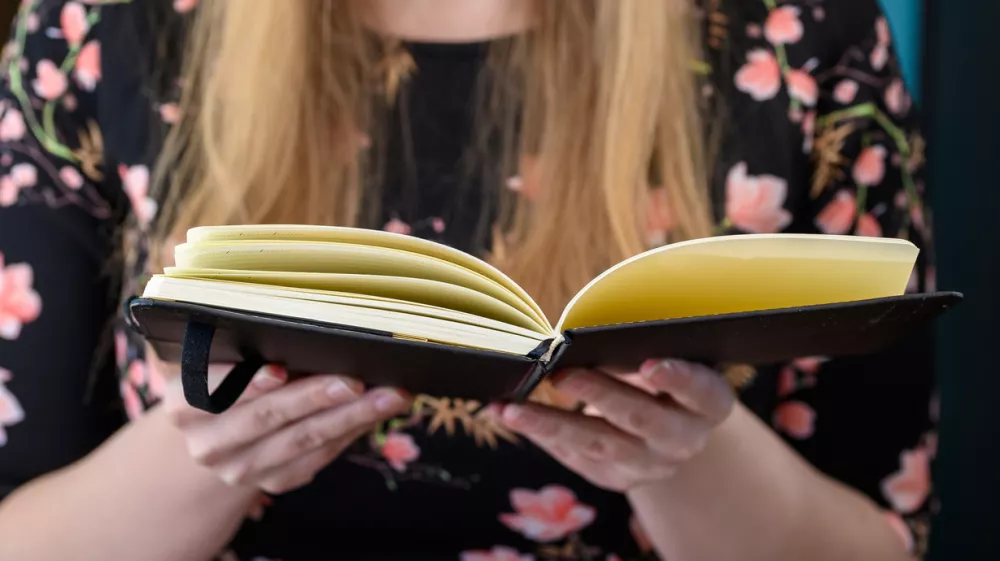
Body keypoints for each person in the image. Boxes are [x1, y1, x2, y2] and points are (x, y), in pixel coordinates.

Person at [0, 0, 938, 559]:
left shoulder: (804, 35)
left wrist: (684, 453)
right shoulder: (99, 27)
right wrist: (203, 453)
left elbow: (886, 539)